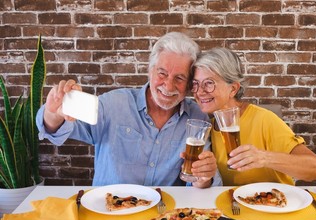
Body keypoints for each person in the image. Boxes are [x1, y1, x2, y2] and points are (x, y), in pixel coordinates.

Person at [36, 32, 221, 188]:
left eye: (179, 78)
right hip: (108, 214)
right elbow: (56, 130)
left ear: (189, 84)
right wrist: (54, 113)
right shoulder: (114, 103)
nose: (168, 85)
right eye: (162, 73)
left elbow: (196, 183)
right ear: (150, 71)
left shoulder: (197, 117)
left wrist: (204, 177)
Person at [191, 47, 316, 186]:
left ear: (233, 89)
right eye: (195, 84)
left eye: (209, 83)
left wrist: (264, 157)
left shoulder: (263, 119)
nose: (199, 92)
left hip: (275, 203)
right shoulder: (208, 126)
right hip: (232, 204)